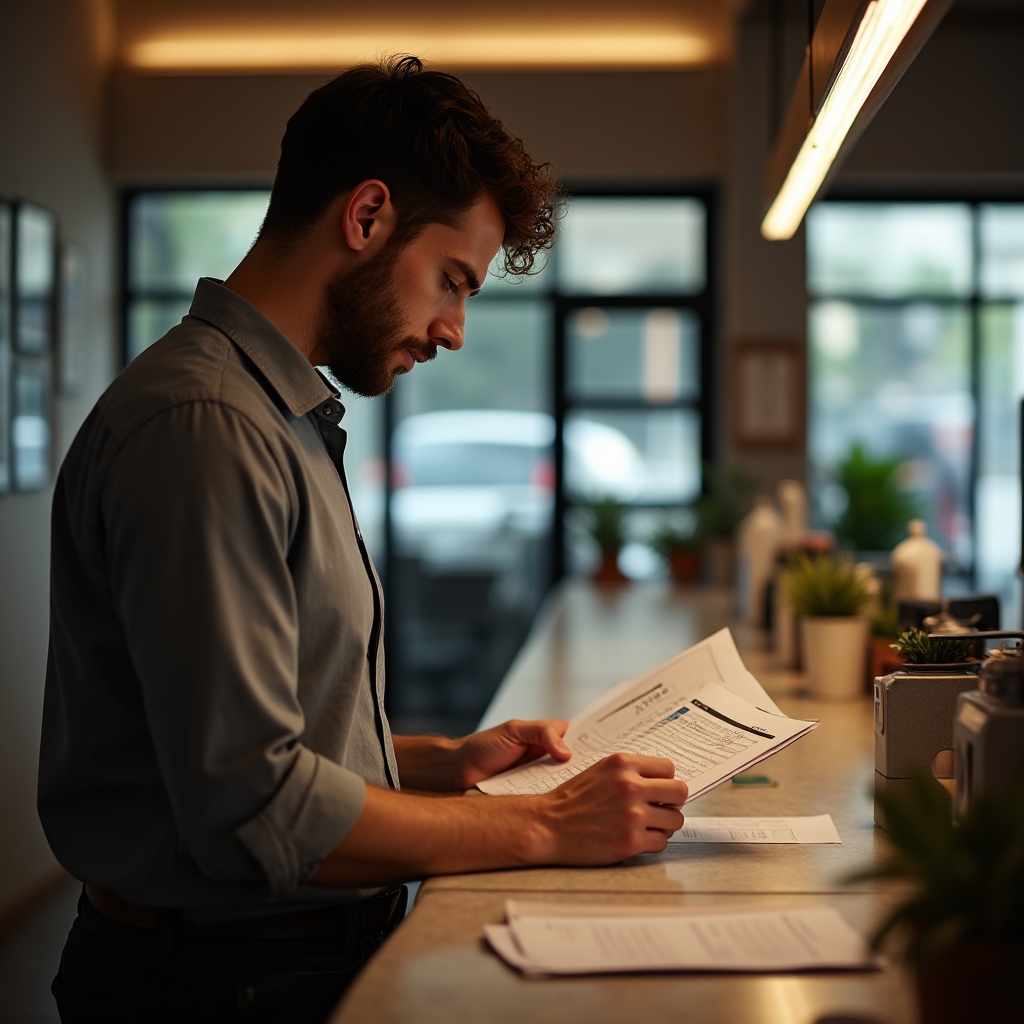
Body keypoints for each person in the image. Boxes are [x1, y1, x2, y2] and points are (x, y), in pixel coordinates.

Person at [38, 56, 688, 1023]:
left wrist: (438, 759)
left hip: (269, 963)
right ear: (369, 215)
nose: (455, 330)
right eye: (452, 281)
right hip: (223, 987)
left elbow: (263, 735)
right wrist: (545, 827)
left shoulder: (274, 412)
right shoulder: (207, 426)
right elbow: (253, 809)